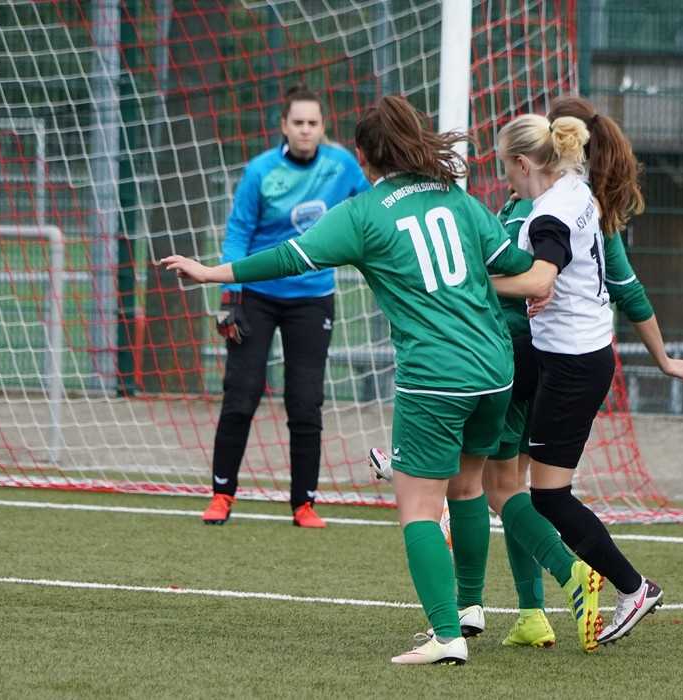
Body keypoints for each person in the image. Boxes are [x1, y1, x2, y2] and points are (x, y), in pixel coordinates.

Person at [163, 95, 546, 665]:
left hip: (435, 376)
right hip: (495, 370)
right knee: (468, 490)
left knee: (418, 508)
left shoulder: (363, 213)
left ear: (363, 156)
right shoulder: (458, 200)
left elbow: (289, 258)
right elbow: (519, 269)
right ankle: (469, 608)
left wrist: (209, 272)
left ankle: (445, 637)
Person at [491, 111, 683, 649]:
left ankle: (633, 587)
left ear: (521, 164)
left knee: (548, 497)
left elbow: (542, 274)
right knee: (489, 386)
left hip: (573, 365)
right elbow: (555, 278)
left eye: (505, 170)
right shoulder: (579, 188)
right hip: (561, 350)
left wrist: (474, 279)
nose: (505, 182)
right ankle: (419, 464)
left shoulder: (548, 214)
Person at [200, 84, 371, 528]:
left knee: (305, 402)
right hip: (255, 297)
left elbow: (375, 198)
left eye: (313, 123)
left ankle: (304, 503)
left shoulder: (343, 167)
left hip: (312, 300)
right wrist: (228, 300)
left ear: (323, 127)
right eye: (298, 122)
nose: (306, 130)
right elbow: (238, 232)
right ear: (284, 126)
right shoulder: (260, 171)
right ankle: (222, 495)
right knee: (240, 395)